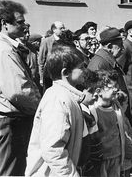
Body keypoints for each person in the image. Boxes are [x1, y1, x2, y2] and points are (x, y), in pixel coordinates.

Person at [0, 0, 41, 176]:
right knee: (11, 171)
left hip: (14, 121)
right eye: (19, 22)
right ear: (4, 24)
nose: (24, 25)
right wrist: (41, 108)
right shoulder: (3, 50)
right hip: (11, 123)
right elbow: (18, 92)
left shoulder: (8, 47)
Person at [25, 44, 85, 176]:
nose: (85, 71)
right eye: (81, 68)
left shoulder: (66, 96)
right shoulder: (57, 99)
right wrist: (70, 174)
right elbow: (53, 149)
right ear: (65, 73)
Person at [89, 70, 126, 177]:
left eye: (116, 86)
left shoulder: (117, 108)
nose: (115, 89)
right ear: (99, 91)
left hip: (116, 155)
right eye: (111, 87)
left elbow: (123, 132)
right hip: (101, 159)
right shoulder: (92, 110)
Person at [88, 27, 127, 96]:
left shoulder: (108, 60)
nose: (123, 48)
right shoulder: (99, 64)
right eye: (120, 45)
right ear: (109, 46)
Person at [38, 21, 66, 90]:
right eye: (61, 28)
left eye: (64, 28)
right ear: (54, 29)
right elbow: (41, 61)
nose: (63, 30)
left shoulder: (65, 41)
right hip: (49, 75)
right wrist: (41, 78)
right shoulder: (46, 41)